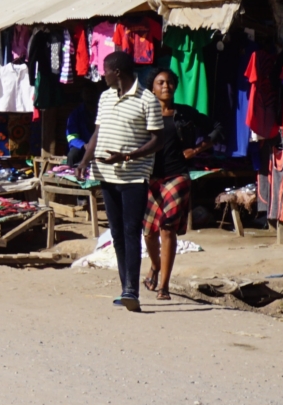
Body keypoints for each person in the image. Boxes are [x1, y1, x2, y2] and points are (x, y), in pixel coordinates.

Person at [78, 51, 164, 312]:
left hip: (133, 176)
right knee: (116, 232)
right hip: (106, 175)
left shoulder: (147, 100)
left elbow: (157, 141)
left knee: (130, 231)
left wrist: (127, 155)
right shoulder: (105, 97)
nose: (101, 75)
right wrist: (84, 160)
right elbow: (97, 132)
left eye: (104, 70)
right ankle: (125, 287)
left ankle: (132, 291)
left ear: (117, 72)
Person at [145, 67, 217, 301]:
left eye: (169, 82)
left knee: (167, 228)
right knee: (148, 233)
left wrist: (196, 149)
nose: (166, 86)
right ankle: (155, 265)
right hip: (151, 177)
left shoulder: (184, 114)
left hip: (177, 176)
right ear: (152, 88)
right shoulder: (144, 113)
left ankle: (164, 286)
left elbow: (217, 128)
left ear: (175, 87)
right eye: (160, 83)